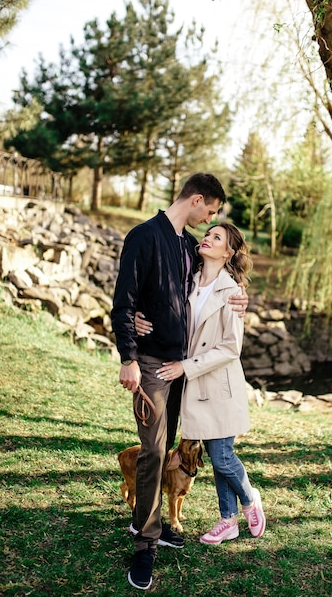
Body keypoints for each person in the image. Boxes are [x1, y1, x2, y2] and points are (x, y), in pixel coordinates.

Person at [111, 173, 248, 591]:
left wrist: (239, 295)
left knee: (167, 448)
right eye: (210, 211)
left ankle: (146, 523)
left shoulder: (190, 246)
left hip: (183, 369)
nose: (210, 220)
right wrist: (129, 357)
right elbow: (124, 300)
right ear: (198, 200)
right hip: (150, 367)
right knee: (152, 451)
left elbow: (209, 288)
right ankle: (146, 546)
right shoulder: (143, 236)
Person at [155, 222, 266, 546]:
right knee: (218, 453)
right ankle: (228, 520)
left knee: (221, 457)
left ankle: (248, 500)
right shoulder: (188, 279)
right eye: (208, 233)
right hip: (194, 385)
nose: (207, 238)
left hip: (218, 384)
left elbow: (231, 348)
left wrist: (185, 367)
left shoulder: (232, 292)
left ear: (228, 252)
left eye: (216, 237)